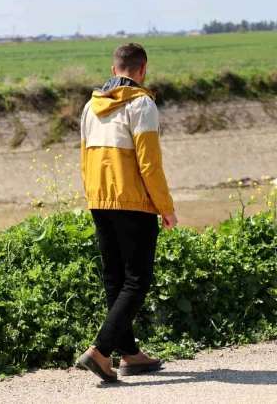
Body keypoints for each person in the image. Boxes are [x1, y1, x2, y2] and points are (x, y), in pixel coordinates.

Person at [77, 43, 178, 382]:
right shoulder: (142, 104)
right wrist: (165, 208)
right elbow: (149, 163)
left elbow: (85, 157)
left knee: (114, 280)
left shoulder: (90, 107)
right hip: (132, 201)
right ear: (142, 70)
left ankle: (130, 355)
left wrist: (94, 196)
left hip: (99, 200)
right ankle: (100, 350)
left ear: (114, 67)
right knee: (137, 280)